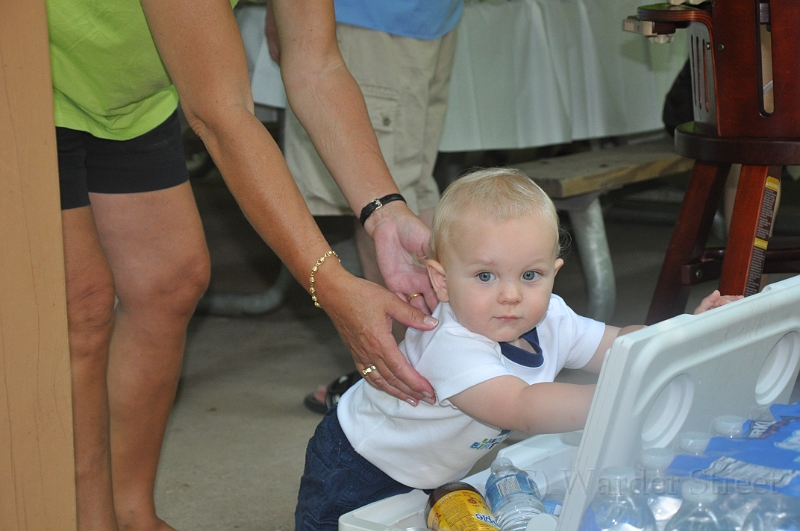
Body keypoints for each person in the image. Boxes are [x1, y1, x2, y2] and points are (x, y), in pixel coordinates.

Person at [47, 0, 445, 529]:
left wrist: (385, 213)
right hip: (34, 77)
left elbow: (317, 65)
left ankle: (133, 513)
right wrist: (330, 284)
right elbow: (221, 114)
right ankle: (83, 520)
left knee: (170, 280)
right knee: (80, 303)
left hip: (127, 95)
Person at [294, 168, 739, 531]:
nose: (511, 295)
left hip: (436, 472)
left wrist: (687, 334)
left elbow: (622, 344)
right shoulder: (450, 344)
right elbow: (524, 407)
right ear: (441, 281)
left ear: (553, 273)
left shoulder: (552, 317)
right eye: (485, 276)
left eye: (530, 275)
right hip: (360, 468)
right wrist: (622, 396)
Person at [263, 0, 464, 412]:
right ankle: (444, 364)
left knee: (381, 193)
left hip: (369, 16)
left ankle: (403, 378)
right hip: (427, 16)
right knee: (410, 191)